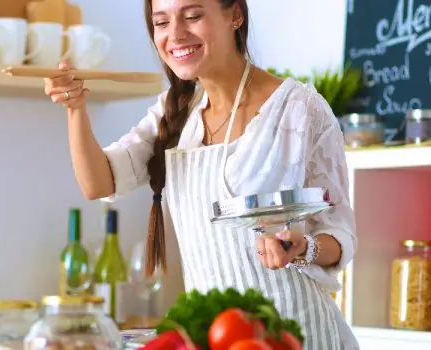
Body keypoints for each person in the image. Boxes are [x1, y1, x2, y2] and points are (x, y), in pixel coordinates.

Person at [44, 0, 358, 348]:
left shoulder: (299, 110)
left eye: (192, 16)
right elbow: (98, 182)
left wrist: (304, 247)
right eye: (161, 22)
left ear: (235, 14)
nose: (175, 34)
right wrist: (75, 109)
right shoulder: (175, 110)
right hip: (219, 337)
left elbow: (339, 235)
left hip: (299, 335)